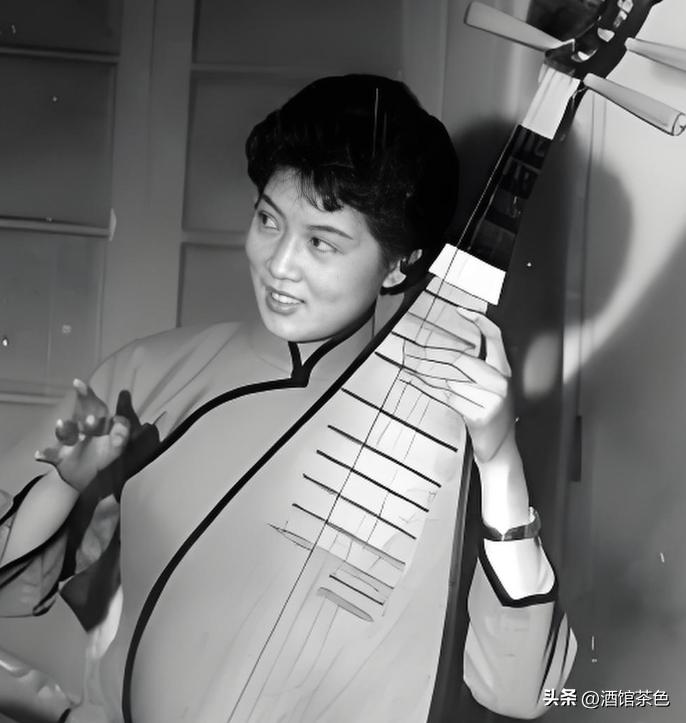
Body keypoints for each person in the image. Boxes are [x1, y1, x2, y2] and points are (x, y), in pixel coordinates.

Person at [0, 75, 575, 722]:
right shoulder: (149, 374)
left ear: (399, 264)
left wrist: (498, 460)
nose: (278, 264)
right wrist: (63, 484)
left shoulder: (448, 429)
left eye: (322, 242)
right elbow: (14, 593)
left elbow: (522, 692)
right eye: (268, 220)